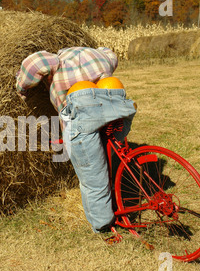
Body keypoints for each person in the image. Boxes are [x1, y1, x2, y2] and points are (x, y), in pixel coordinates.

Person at [15, 47, 137, 233]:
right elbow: (112, 56)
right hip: (114, 110)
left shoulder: (56, 61)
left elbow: (33, 65)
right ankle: (119, 196)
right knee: (110, 159)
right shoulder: (100, 56)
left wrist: (21, 88)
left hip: (81, 118)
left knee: (93, 178)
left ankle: (103, 226)